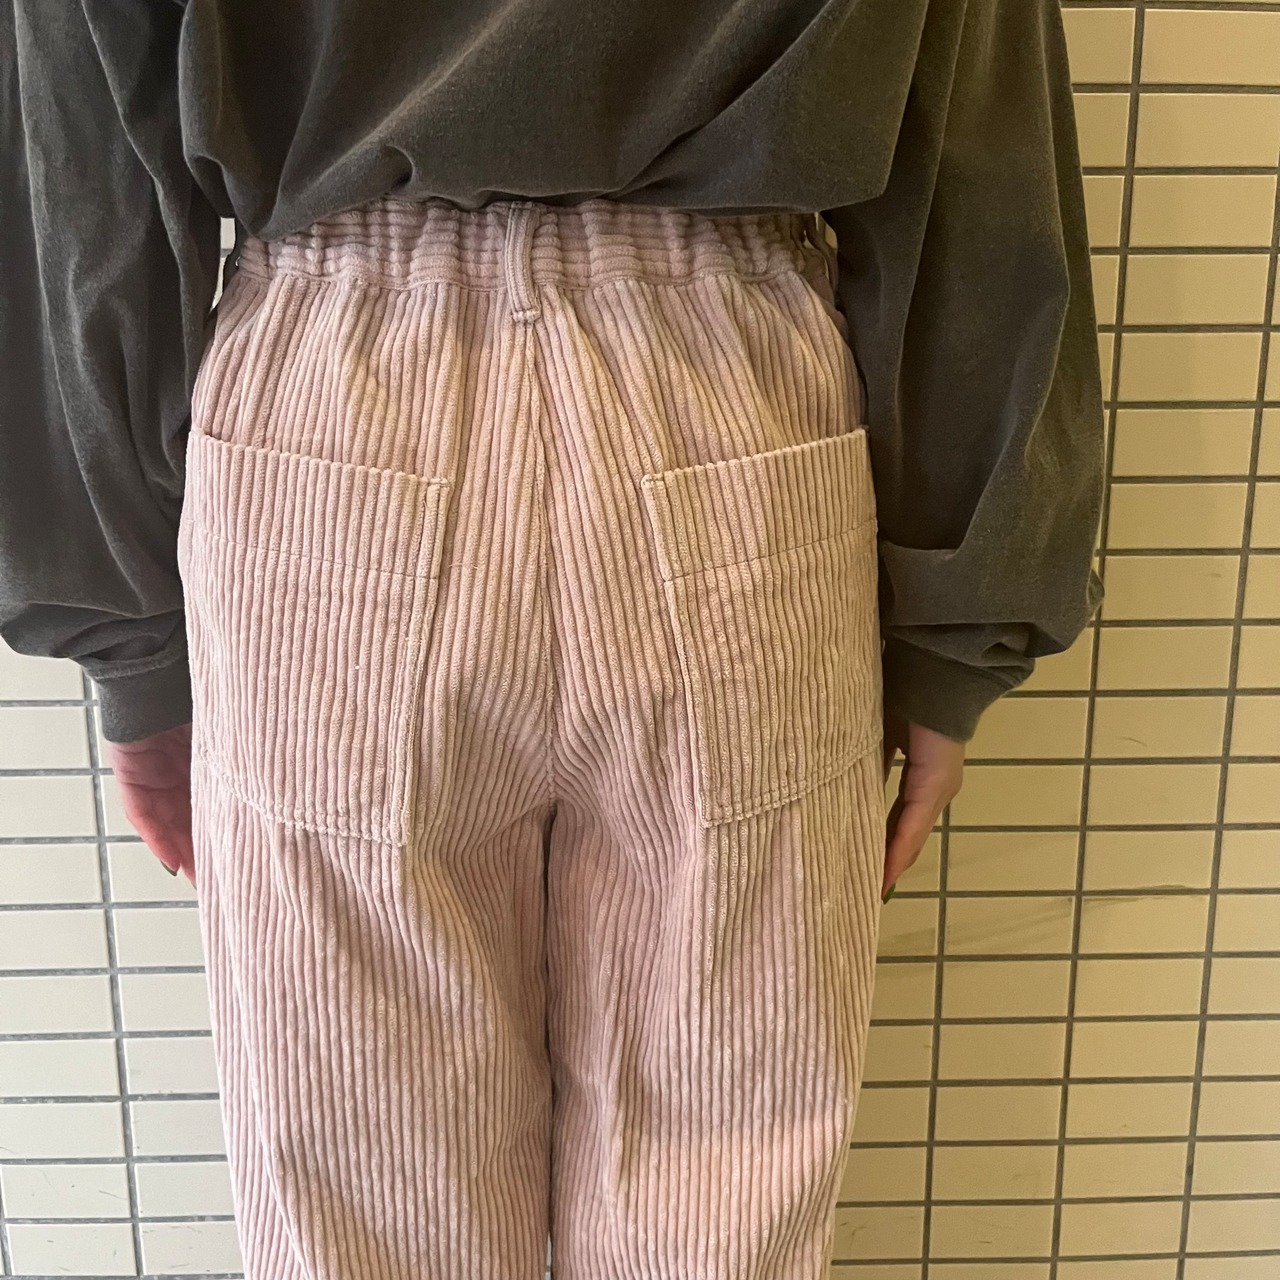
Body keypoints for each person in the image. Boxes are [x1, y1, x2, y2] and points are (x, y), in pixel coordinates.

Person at [1, 1, 1104, 1276]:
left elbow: (82, 147)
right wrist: (961, 618)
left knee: (363, 1194)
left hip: (333, 405)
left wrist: (127, 633)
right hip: (724, 396)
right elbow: (970, 130)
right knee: (716, 1195)